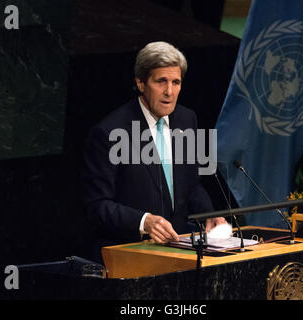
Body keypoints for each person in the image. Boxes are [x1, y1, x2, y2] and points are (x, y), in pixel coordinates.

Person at [81, 41, 226, 264]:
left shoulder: (187, 120)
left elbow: (191, 185)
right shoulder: (109, 132)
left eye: (176, 82)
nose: (169, 92)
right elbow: (97, 206)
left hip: (180, 252)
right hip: (128, 254)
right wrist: (143, 222)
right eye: (161, 82)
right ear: (141, 83)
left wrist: (208, 215)